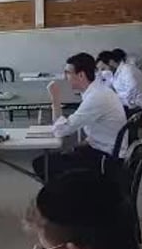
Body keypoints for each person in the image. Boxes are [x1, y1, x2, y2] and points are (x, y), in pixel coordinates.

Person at [32, 53, 126, 181]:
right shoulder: (97, 91)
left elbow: (61, 131)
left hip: (107, 160)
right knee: (56, 159)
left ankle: (66, 191)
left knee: (43, 164)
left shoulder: (96, 97)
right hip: (105, 149)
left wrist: (55, 99)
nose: (65, 78)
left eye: (68, 73)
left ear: (81, 75)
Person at [97, 50, 142, 116]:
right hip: (128, 107)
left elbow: (130, 96)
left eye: (103, 69)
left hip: (139, 110)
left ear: (111, 62)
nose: (102, 72)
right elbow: (109, 89)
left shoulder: (128, 71)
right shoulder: (115, 74)